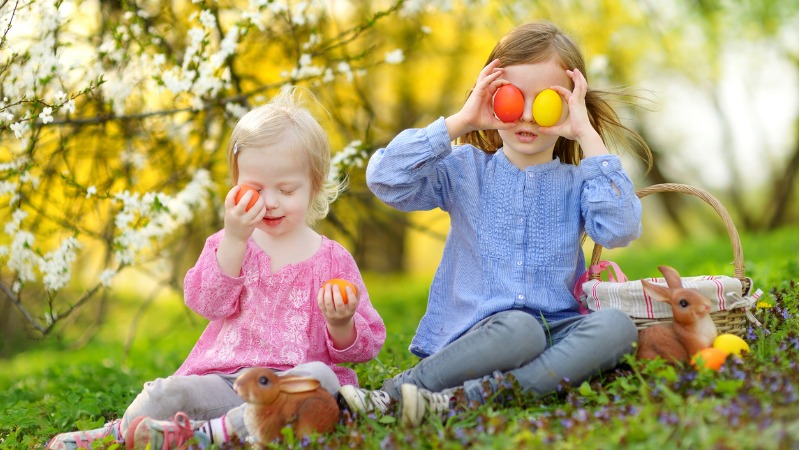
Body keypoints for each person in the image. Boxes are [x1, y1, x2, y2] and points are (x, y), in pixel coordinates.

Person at [339, 20, 652, 427]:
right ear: (489, 96)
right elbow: (385, 179)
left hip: (556, 332)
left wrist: (587, 135)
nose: (525, 114)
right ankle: (396, 392)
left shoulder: (580, 182)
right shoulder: (464, 170)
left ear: (571, 104)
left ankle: (461, 400)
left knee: (617, 327)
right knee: (520, 331)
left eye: (545, 102)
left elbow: (622, 227)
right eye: (510, 97)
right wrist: (461, 122)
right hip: (480, 337)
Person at [46, 88, 386, 449]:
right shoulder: (230, 243)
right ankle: (120, 434)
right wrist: (235, 241)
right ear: (236, 183)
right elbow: (206, 303)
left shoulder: (332, 260)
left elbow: (364, 348)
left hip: (291, 386)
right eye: (255, 187)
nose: (270, 202)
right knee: (164, 395)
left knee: (322, 380)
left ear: (315, 185)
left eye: (286, 190)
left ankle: (202, 435)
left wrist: (340, 323)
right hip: (224, 383)